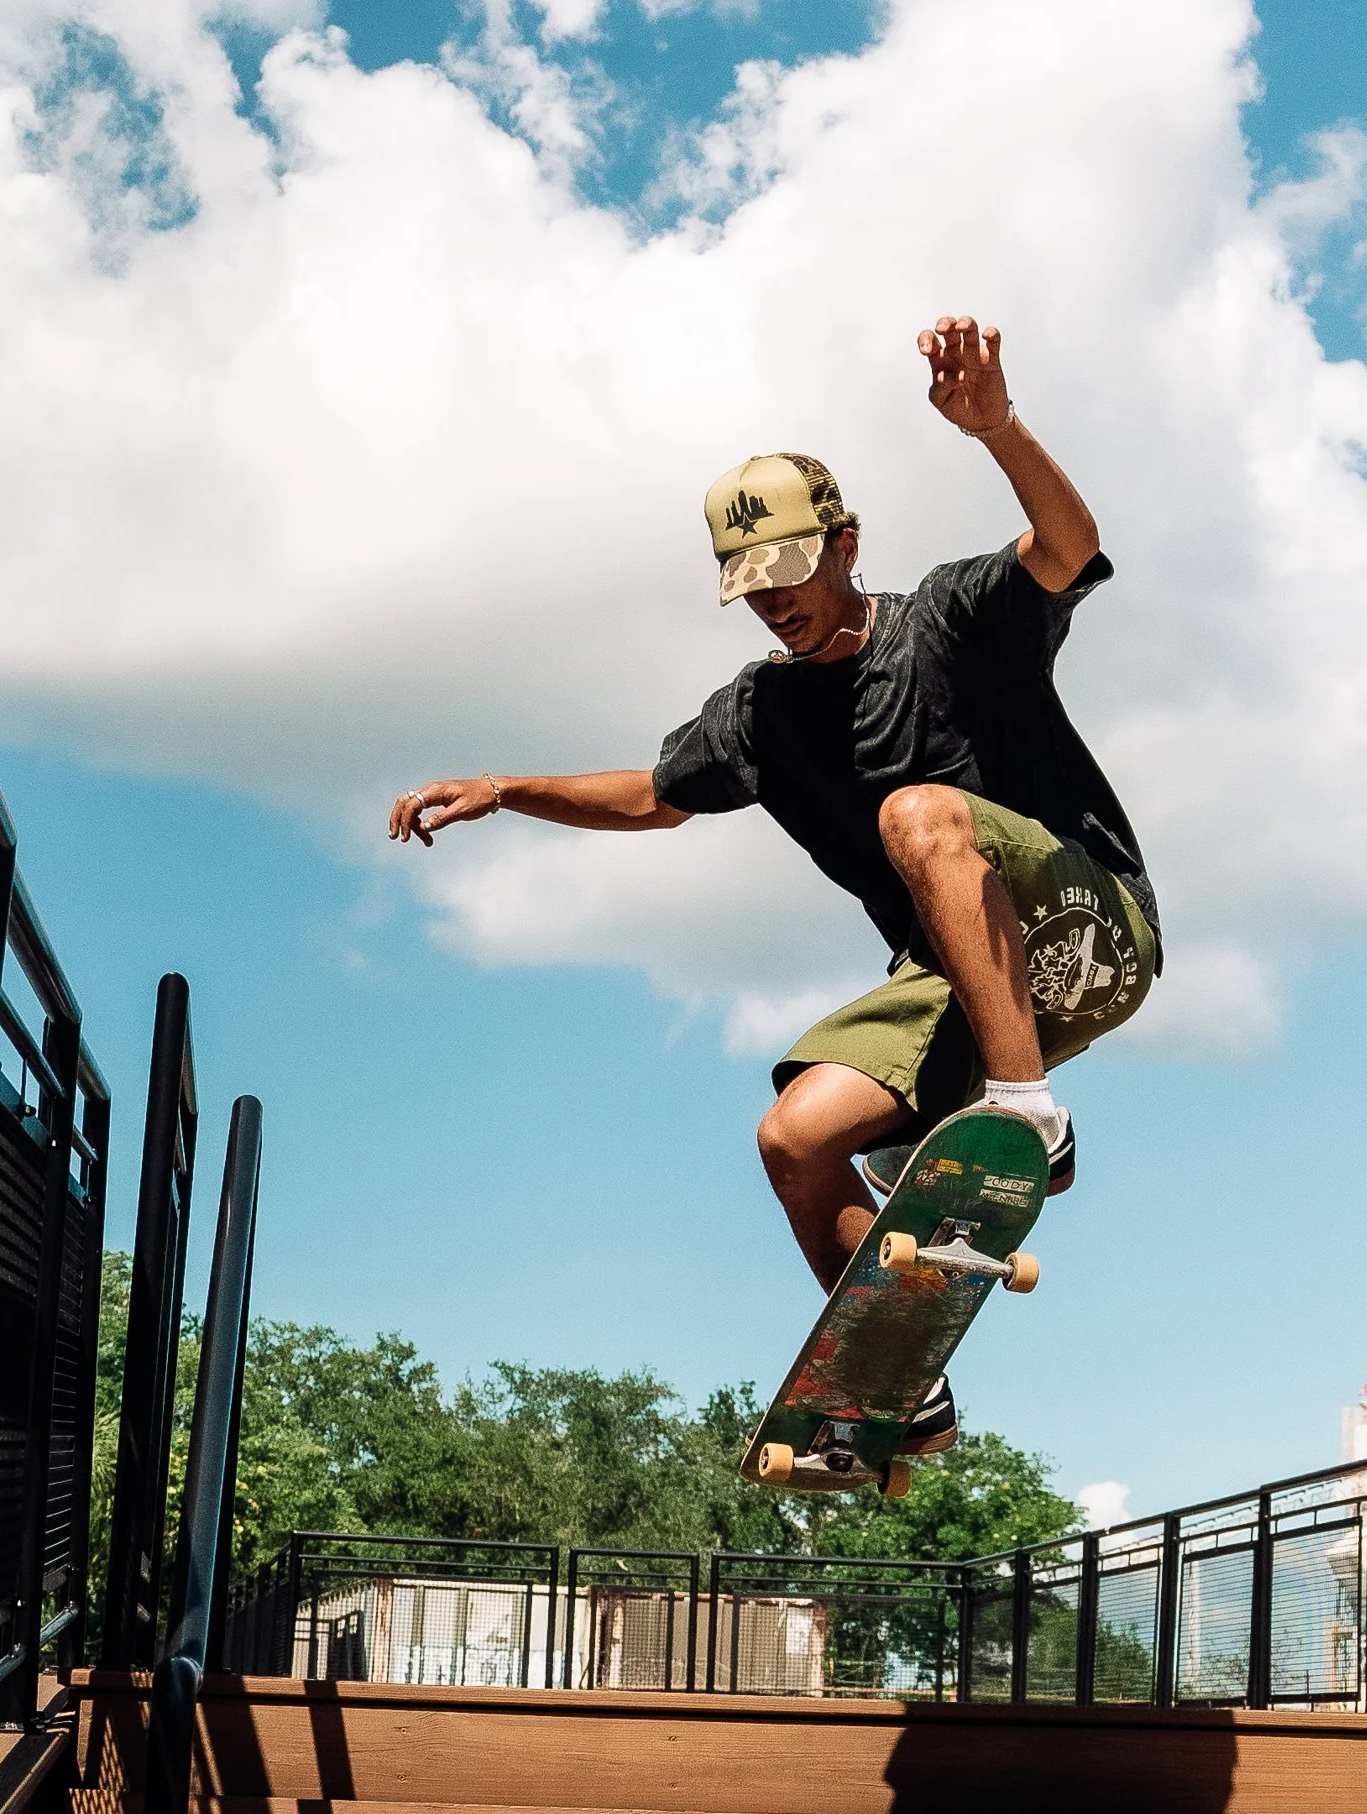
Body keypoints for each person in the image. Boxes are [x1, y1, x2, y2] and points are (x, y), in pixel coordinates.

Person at [389, 316, 1160, 1457]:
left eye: (792, 573)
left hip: (1092, 926)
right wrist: (508, 789)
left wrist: (998, 430)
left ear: (845, 541)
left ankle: (1026, 1112)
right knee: (793, 1137)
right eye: (751, 588)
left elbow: (1066, 541)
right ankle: (902, 1378)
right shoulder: (760, 711)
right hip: (962, 972)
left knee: (919, 814)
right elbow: (654, 793)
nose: (776, 603)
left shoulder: (951, 620)